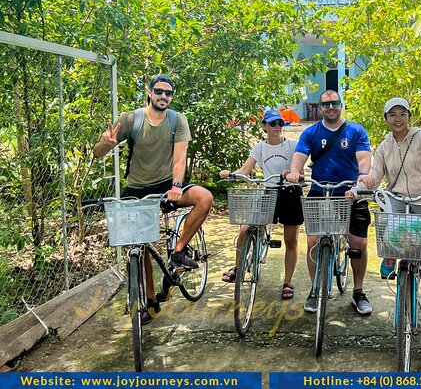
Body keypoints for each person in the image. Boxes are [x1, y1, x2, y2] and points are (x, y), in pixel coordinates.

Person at [93, 74, 214, 324]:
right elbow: (97, 154)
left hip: (168, 186)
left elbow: (180, 158)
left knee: (205, 197)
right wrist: (105, 144)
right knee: (137, 243)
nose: (163, 96)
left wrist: (177, 186)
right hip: (136, 188)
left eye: (168, 93)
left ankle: (179, 251)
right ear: (149, 92)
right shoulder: (132, 119)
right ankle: (149, 298)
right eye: (158, 91)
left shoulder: (177, 120)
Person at [366, 97, 421, 331]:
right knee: (386, 219)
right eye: (392, 114)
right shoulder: (384, 145)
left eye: (402, 114)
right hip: (397, 198)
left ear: (409, 117)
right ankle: (389, 255)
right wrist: (364, 181)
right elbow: (375, 175)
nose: (398, 119)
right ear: (386, 119)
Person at [285, 90, 375, 315]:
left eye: (334, 103)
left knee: (359, 244)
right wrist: (295, 172)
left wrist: (363, 173)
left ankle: (358, 291)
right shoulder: (311, 132)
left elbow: (364, 157)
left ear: (341, 105)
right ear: (320, 108)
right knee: (313, 242)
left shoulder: (356, 130)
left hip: (350, 193)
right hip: (320, 191)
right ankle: (315, 289)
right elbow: (299, 155)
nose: (330, 107)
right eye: (326, 104)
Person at [219, 108, 303, 300]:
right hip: (269, 193)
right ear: (264, 126)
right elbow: (245, 169)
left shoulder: (292, 145)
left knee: (291, 240)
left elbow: (300, 165)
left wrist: (294, 173)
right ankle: (238, 267)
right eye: (273, 123)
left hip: (290, 193)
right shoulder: (260, 147)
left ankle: (287, 282)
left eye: (280, 123)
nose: (277, 127)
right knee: (245, 229)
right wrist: (230, 174)